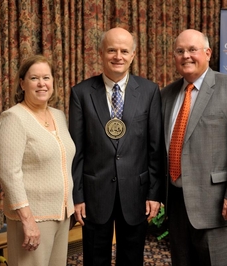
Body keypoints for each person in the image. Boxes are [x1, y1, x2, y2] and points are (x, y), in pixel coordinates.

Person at [161, 29, 227, 266]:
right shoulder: (166, 94)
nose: (186, 55)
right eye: (180, 51)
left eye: (192, 49)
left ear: (208, 53)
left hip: (219, 205)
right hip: (177, 204)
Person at [69, 27, 164, 266]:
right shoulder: (81, 93)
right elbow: (76, 151)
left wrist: (154, 193)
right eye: (112, 50)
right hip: (94, 194)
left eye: (124, 51)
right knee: (94, 259)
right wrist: (77, 196)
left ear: (133, 55)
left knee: (132, 259)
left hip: (136, 193)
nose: (118, 56)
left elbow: (155, 148)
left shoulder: (150, 91)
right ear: (101, 53)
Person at [0, 55, 75, 265]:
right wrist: (28, 221)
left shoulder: (59, 116)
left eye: (46, 77)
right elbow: (10, 174)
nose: (41, 84)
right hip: (33, 218)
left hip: (62, 214)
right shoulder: (13, 118)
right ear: (22, 83)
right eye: (34, 78)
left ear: (53, 82)